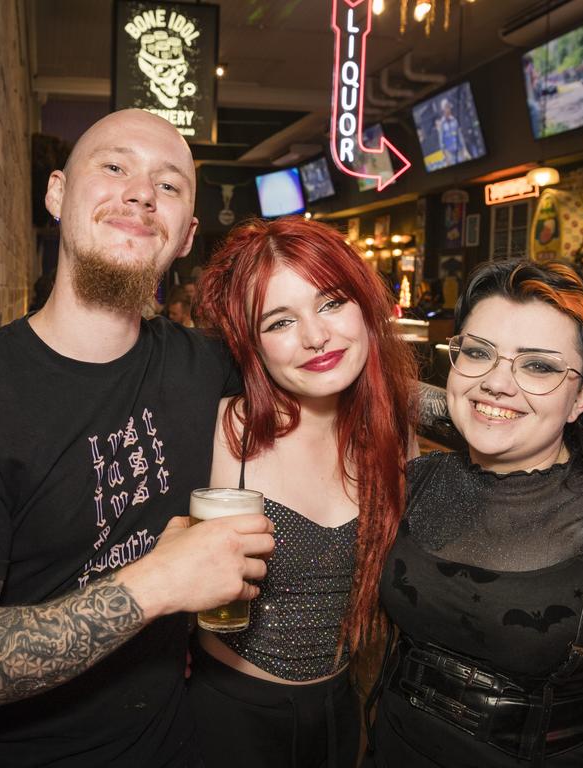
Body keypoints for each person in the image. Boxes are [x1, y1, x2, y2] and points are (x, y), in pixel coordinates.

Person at [0, 109, 275, 768]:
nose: (140, 193)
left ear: (185, 236)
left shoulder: (201, 364)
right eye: (115, 166)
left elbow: (332, 364)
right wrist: (157, 584)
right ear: (56, 193)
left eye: (169, 185)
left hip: (173, 743)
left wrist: (488, 399)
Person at [368, 259, 583, 766]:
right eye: (477, 353)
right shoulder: (415, 482)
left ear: (582, 398)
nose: (497, 383)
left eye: (538, 366)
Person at [190, 217, 418, 767]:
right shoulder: (215, 430)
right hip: (224, 719)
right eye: (280, 321)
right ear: (251, 344)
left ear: (366, 308)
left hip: (340, 713)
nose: (316, 337)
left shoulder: (393, 437)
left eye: (332, 303)